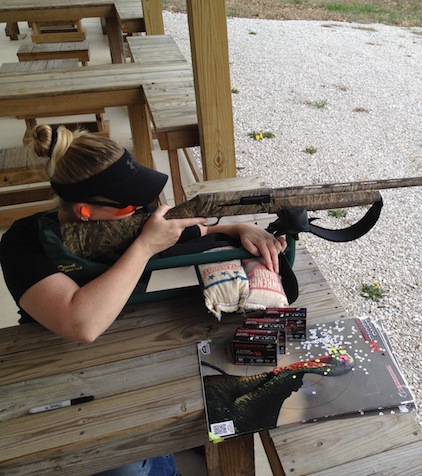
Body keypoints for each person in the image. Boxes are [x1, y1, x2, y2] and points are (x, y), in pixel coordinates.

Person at [0, 125, 286, 475]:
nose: (145, 211)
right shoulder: (22, 242)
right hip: (59, 363)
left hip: (141, 339)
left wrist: (236, 228)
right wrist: (145, 246)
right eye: (130, 205)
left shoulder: (133, 218)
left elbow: (190, 228)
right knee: (128, 466)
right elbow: (81, 323)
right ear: (86, 212)